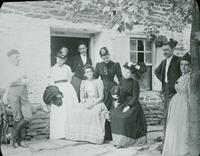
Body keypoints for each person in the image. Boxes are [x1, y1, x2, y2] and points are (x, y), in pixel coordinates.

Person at [65, 65, 108, 144]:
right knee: (75, 111)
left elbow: (101, 97)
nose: (89, 73)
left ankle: (94, 138)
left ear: (93, 72)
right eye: (87, 72)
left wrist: (93, 104)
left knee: (94, 114)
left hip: (97, 102)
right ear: (85, 74)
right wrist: (85, 103)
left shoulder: (98, 81)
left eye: (90, 71)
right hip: (86, 101)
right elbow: (81, 96)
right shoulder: (84, 82)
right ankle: (81, 136)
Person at [110, 62, 147, 148]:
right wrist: (116, 98)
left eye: (128, 72)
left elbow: (135, 97)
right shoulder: (122, 81)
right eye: (125, 72)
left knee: (124, 118)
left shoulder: (135, 83)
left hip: (132, 104)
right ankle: (117, 140)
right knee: (114, 114)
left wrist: (128, 106)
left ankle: (125, 141)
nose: (126, 74)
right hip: (123, 102)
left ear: (132, 74)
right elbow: (120, 93)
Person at [2, 49, 33, 148]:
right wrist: (20, 78)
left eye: (19, 57)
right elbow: (9, 82)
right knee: (17, 118)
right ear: (11, 58)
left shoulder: (23, 67)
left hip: (23, 91)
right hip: (13, 92)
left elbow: (29, 80)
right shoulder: (7, 69)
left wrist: (19, 80)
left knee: (28, 116)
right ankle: (19, 141)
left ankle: (13, 136)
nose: (19, 59)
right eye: (16, 57)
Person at [162, 53, 191, 156]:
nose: (183, 67)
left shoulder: (190, 78)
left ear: (190, 66)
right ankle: (173, 151)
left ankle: (182, 151)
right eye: (182, 64)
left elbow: (191, 95)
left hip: (184, 105)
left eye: (186, 65)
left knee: (182, 127)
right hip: (176, 105)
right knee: (174, 128)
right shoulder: (181, 77)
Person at [155, 38, 181, 141]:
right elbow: (157, 72)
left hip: (175, 92)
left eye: (167, 49)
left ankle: (174, 139)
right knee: (166, 115)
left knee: (173, 115)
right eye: (164, 50)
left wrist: (176, 84)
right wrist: (164, 82)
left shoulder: (178, 60)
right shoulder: (163, 62)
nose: (165, 52)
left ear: (172, 49)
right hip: (166, 91)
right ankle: (166, 140)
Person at [94, 46, 123, 141]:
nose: (106, 59)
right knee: (103, 109)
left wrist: (122, 89)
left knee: (112, 109)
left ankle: (112, 133)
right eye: (103, 58)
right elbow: (94, 78)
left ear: (109, 55)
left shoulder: (115, 65)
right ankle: (104, 134)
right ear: (101, 58)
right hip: (102, 89)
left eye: (107, 57)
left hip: (112, 89)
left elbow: (120, 78)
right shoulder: (99, 65)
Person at [50, 47, 78, 139]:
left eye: (61, 59)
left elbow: (69, 79)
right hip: (57, 89)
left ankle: (69, 133)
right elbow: (51, 81)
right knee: (59, 110)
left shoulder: (67, 68)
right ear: (56, 58)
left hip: (67, 89)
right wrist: (55, 92)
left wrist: (66, 88)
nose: (59, 61)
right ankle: (59, 133)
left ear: (64, 60)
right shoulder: (52, 68)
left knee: (68, 109)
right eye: (58, 59)